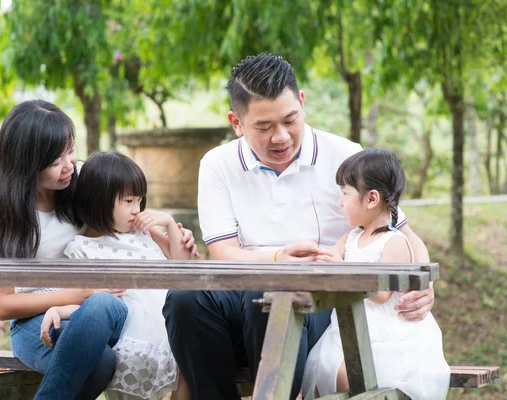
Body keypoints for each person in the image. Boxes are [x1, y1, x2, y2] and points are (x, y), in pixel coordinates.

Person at [162, 53, 435, 400]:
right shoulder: (218, 165)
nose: (281, 137)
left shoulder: (345, 156)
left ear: (302, 103)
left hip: (320, 305)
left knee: (268, 299)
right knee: (185, 300)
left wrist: (422, 284)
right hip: (243, 300)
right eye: (263, 127)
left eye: (290, 120)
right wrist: (278, 259)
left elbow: (404, 235)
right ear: (237, 122)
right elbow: (223, 253)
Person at [0, 100, 197, 400]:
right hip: (37, 322)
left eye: (71, 150)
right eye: (55, 161)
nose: (69, 164)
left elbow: (127, 217)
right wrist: (79, 293)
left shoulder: (80, 179)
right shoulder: (1, 213)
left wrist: (170, 235)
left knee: (104, 307)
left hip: (106, 309)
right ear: (26, 164)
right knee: (100, 362)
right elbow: (2, 306)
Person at [40, 151, 192, 400]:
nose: (137, 210)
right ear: (99, 201)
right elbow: (90, 304)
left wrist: (168, 222)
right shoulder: (81, 248)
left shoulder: (146, 232)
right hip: (133, 329)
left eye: (140, 201)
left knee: (189, 363)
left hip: (171, 320)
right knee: (132, 365)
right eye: (128, 201)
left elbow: (182, 269)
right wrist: (58, 310)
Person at [302, 149, 450, 399]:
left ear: (371, 199)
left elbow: (381, 294)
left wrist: (343, 269)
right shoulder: (351, 237)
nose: (340, 202)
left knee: (346, 379)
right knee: (320, 374)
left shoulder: (394, 242)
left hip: (385, 336)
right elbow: (330, 259)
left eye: (345, 194)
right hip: (346, 329)